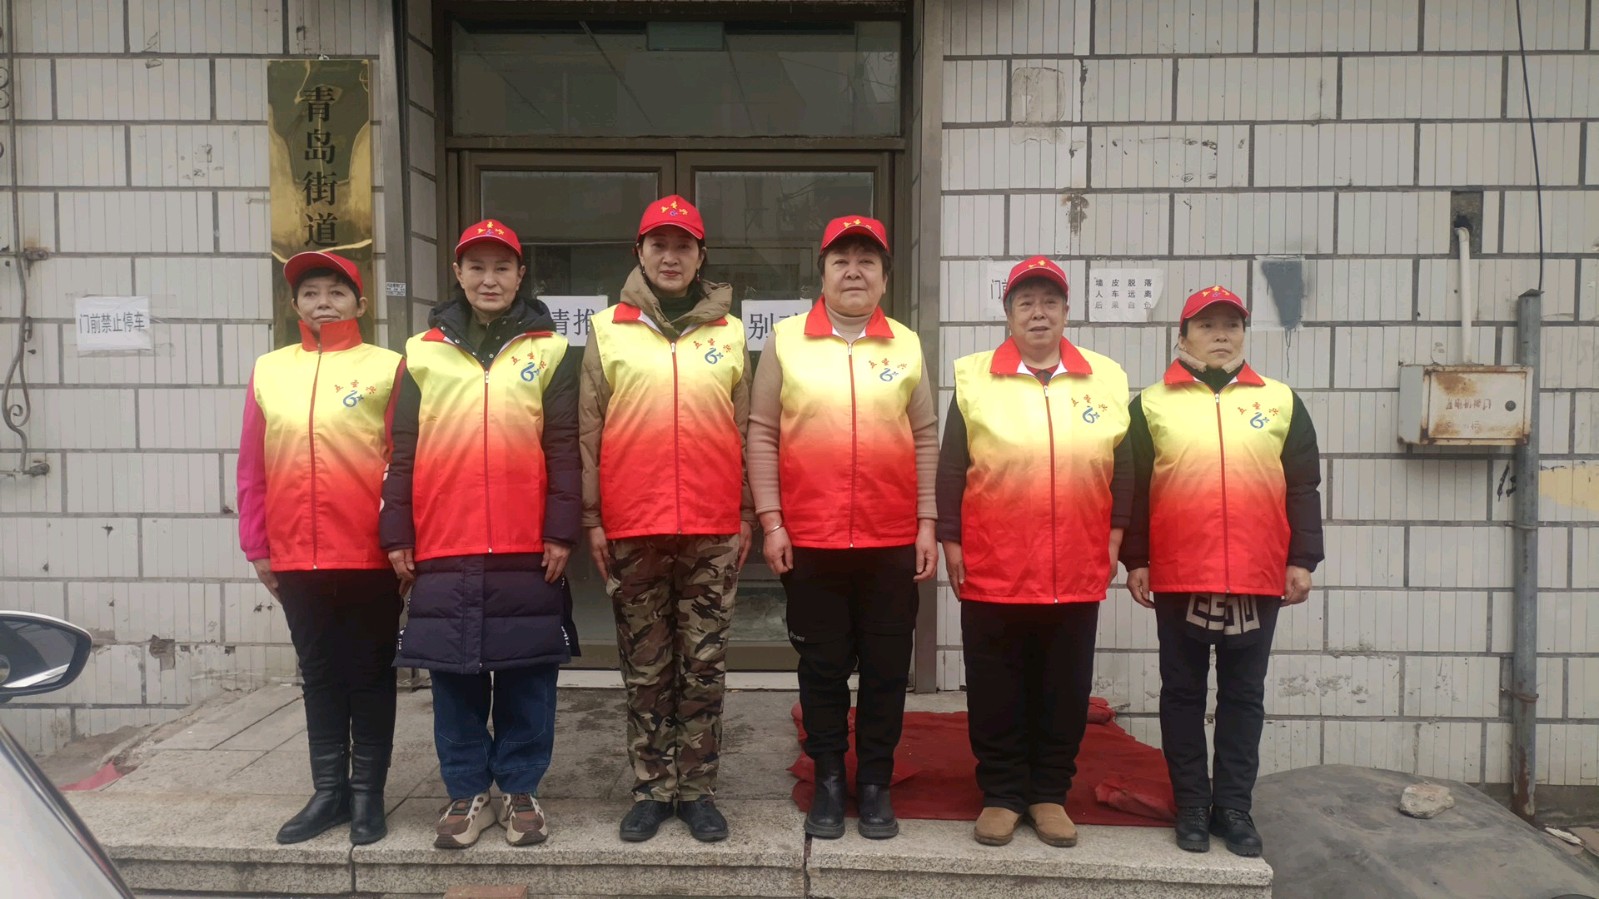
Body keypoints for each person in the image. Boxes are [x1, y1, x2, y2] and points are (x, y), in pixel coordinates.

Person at [380, 219, 581, 850]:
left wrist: (561, 531)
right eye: (476, 267)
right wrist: (397, 532)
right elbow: (401, 451)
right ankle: (466, 791)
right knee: (454, 677)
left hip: (526, 545)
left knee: (528, 675)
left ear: (520, 275)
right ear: (458, 275)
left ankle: (520, 789)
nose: (488, 279)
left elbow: (564, 449)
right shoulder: (421, 353)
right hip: (445, 541)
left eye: (501, 267)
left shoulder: (552, 351)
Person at [746, 215, 938, 841]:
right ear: (823, 273)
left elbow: (926, 436)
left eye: (867, 261)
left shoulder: (905, 344)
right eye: (841, 260)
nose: (854, 271)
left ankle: (875, 780)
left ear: (885, 276)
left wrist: (927, 521)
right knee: (822, 668)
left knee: (886, 669)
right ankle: (829, 777)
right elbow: (763, 433)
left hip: (890, 541)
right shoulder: (786, 341)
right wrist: (772, 521)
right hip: (812, 541)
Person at [1120, 285, 1324, 858]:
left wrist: (1302, 559)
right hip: (1180, 573)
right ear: (1182, 335)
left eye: (1231, 325)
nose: (1220, 336)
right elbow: (1134, 490)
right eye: (1206, 326)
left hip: (1258, 575)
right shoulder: (1151, 404)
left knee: (1244, 695)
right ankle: (1191, 803)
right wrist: (1137, 559)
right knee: (1182, 693)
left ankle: (1233, 806)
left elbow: (1303, 485)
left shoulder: (1280, 401)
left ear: (1243, 333)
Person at [936, 256, 1131, 848]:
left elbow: (1124, 467)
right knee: (995, 685)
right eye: (1026, 302)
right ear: (1009, 313)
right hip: (995, 562)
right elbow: (952, 467)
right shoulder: (975, 379)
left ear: (1067, 312)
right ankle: (1001, 793)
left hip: (1075, 563)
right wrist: (951, 540)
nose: (1038, 312)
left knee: (1063, 688)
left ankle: (1049, 793)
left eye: (1050, 301)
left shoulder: (1106, 378)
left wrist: (1114, 538)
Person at [580, 195, 753, 843]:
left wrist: (745, 512)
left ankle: (698, 790)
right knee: (646, 666)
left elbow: (744, 429)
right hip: (633, 526)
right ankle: (652, 788)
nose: (671, 256)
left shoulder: (729, 332)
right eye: (659, 245)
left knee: (703, 665)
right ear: (640, 253)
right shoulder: (607, 329)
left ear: (701, 256)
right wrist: (593, 519)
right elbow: (588, 433)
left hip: (712, 526)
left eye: (683, 246)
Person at [236, 251, 404, 846]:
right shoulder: (269, 370)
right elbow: (252, 466)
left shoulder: (387, 367)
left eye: (336, 291)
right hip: (293, 555)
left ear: (361, 303)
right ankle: (329, 792)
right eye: (310, 293)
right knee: (319, 674)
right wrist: (257, 545)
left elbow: (403, 462)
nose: (323, 302)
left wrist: (400, 540)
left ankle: (367, 796)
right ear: (294, 306)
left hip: (367, 554)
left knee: (369, 673)